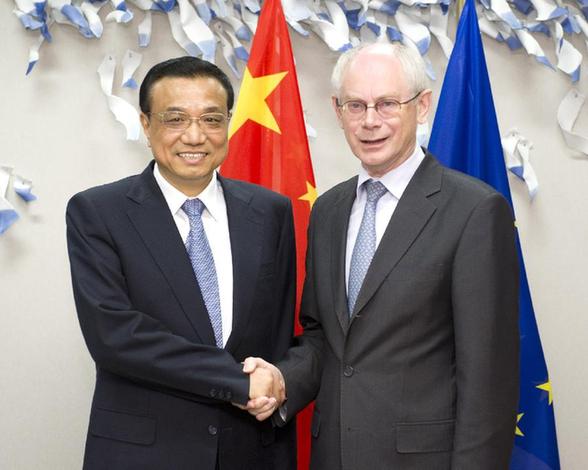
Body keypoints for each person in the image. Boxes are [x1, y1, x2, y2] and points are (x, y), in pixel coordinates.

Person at [244, 43, 520, 469]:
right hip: (332, 455)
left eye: (387, 104)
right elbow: (323, 338)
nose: (370, 121)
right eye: (356, 105)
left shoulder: (474, 210)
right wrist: (282, 380)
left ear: (422, 106)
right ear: (338, 111)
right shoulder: (329, 210)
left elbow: (487, 377)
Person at [66, 56, 295, 470]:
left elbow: (279, 331)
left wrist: (277, 383)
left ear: (228, 123)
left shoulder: (270, 211)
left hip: (252, 451)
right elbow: (115, 335)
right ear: (146, 123)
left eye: (211, 119)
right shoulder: (98, 212)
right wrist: (237, 382)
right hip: (143, 454)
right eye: (175, 119)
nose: (195, 136)